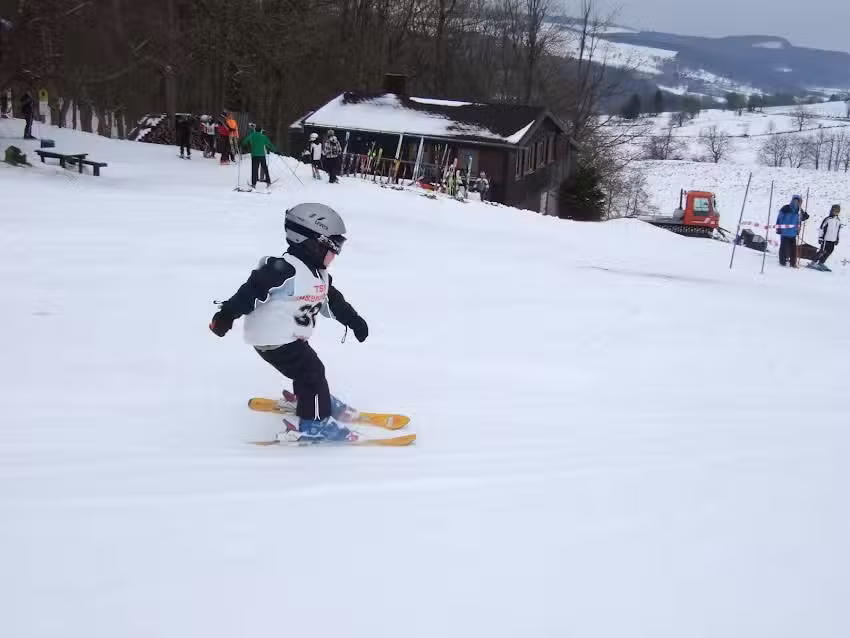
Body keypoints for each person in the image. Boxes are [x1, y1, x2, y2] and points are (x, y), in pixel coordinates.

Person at [209, 203, 369, 443]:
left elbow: (334, 303)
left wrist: (354, 321)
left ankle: (314, 398)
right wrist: (225, 316)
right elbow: (251, 291)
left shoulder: (318, 274)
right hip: (274, 338)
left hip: (286, 339)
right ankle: (314, 423)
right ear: (312, 243)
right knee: (312, 371)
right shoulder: (284, 269)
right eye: (332, 248)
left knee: (308, 372)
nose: (335, 255)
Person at [775, 194, 809, 267]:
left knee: (787, 248)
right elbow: (780, 218)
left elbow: (802, 219)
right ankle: (789, 262)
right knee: (789, 248)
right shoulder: (790, 209)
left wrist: (778, 228)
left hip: (789, 232)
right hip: (788, 232)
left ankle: (786, 262)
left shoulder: (796, 210)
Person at [240, 124, 276, 189]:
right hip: (262, 155)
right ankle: (268, 182)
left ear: (255, 129)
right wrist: (275, 151)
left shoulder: (252, 135)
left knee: (254, 169)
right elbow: (269, 144)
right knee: (265, 168)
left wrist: (242, 144)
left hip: (254, 155)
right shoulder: (263, 136)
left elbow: (244, 142)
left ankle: (254, 184)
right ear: (261, 130)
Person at [812, 204, 841, 271]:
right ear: (832, 210)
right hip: (826, 239)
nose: (836, 212)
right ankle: (813, 262)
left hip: (833, 240)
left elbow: (838, 231)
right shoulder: (827, 219)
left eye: (837, 211)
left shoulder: (838, 220)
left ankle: (821, 262)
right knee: (822, 251)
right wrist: (820, 238)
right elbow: (821, 229)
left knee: (830, 251)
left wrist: (837, 239)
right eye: (835, 210)